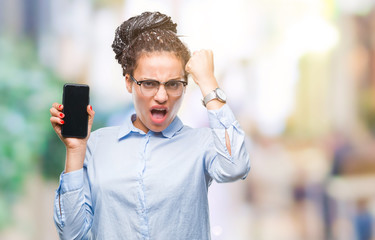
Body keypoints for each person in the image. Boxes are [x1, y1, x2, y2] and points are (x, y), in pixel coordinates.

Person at [50, 11, 250, 240]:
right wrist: (75, 150)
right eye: (149, 84)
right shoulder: (96, 145)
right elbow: (71, 234)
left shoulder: (201, 144)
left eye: (174, 84)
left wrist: (208, 82)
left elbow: (236, 167)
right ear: (128, 82)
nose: (162, 96)